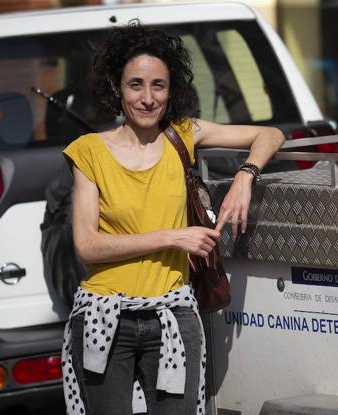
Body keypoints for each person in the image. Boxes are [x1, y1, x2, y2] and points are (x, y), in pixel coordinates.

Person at [60, 25, 284, 415]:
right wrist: (171, 237)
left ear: (171, 89)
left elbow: (270, 134)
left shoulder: (183, 133)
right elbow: (87, 246)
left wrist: (245, 177)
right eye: (136, 85)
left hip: (174, 315)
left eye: (158, 86)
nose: (148, 98)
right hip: (104, 316)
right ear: (116, 87)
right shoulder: (89, 151)